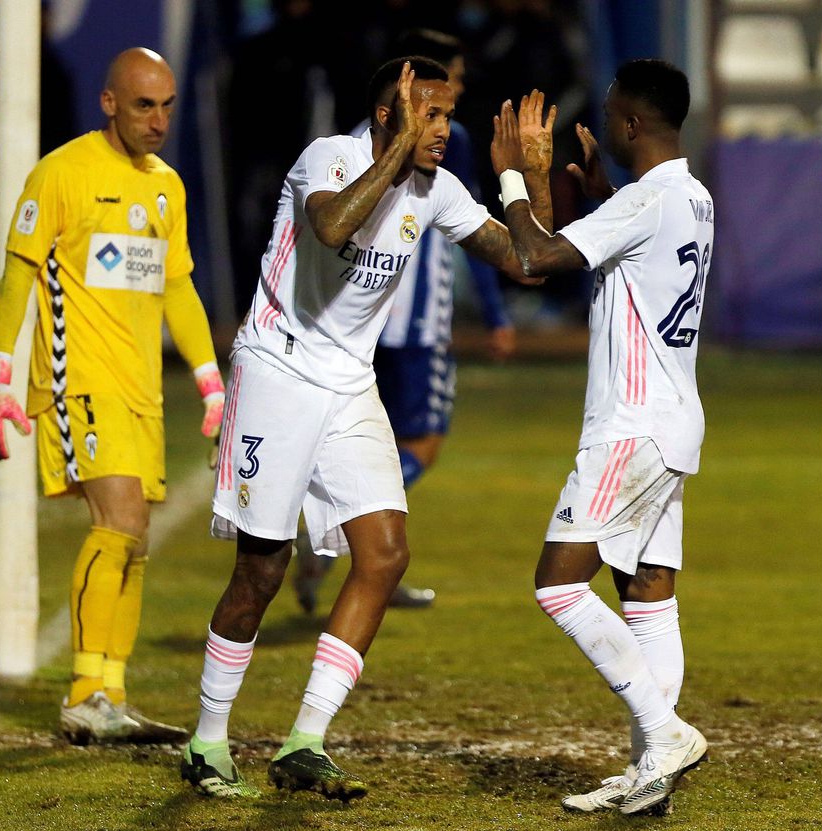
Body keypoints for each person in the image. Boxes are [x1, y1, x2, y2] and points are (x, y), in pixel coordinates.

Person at [180, 57, 551, 801]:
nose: (442, 131)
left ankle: (304, 742)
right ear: (387, 115)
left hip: (350, 383)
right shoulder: (330, 157)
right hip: (278, 369)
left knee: (384, 555)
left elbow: (529, 260)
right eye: (428, 115)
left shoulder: (438, 189)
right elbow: (331, 225)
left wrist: (527, 178)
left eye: (447, 117)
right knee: (262, 569)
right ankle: (207, 741)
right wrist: (396, 152)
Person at [0, 48, 225, 745]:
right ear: (110, 103)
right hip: (76, 378)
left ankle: (110, 692)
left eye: (167, 106)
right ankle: (85, 693)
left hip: (142, 389)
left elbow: (178, 287)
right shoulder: (61, 172)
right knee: (119, 520)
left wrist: (211, 383)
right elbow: (18, 277)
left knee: (134, 541)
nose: (159, 120)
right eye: (144, 105)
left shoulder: (167, 186)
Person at [489, 59, 711, 816]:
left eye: (612, 113)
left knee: (558, 584)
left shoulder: (647, 200)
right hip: (673, 417)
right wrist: (601, 193)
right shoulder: (692, 196)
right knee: (647, 592)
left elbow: (536, 256)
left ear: (633, 125)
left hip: (631, 426)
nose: (605, 121)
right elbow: (641, 245)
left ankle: (665, 735)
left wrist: (513, 176)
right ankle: (653, 770)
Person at [291, 28, 517, 614]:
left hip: (357, 327)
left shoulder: (355, 140)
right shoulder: (440, 144)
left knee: (373, 446)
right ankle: (337, 534)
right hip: (413, 322)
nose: (452, 102)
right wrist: (495, 313)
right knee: (420, 444)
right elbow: (481, 240)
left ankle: (365, 558)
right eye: (449, 85)